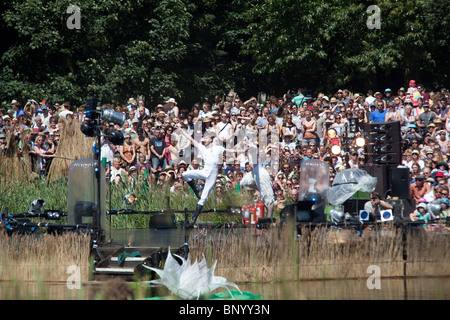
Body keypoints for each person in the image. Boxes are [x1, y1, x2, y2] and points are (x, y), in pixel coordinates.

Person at [180, 130, 240, 225]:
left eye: (206, 138)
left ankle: (193, 219)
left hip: (212, 175)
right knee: (184, 174)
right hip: (205, 172)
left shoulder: (218, 148)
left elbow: (229, 150)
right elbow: (191, 139)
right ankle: (196, 191)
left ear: (211, 140)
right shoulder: (203, 148)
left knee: (203, 198)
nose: (204, 140)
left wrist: (241, 150)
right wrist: (181, 130)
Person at [239, 140, 275, 218]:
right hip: (254, 172)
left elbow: (255, 148)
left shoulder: (253, 149)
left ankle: (269, 218)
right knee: (242, 182)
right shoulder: (248, 152)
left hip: (260, 172)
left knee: (269, 198)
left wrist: (250, 144)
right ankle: (259, 188)